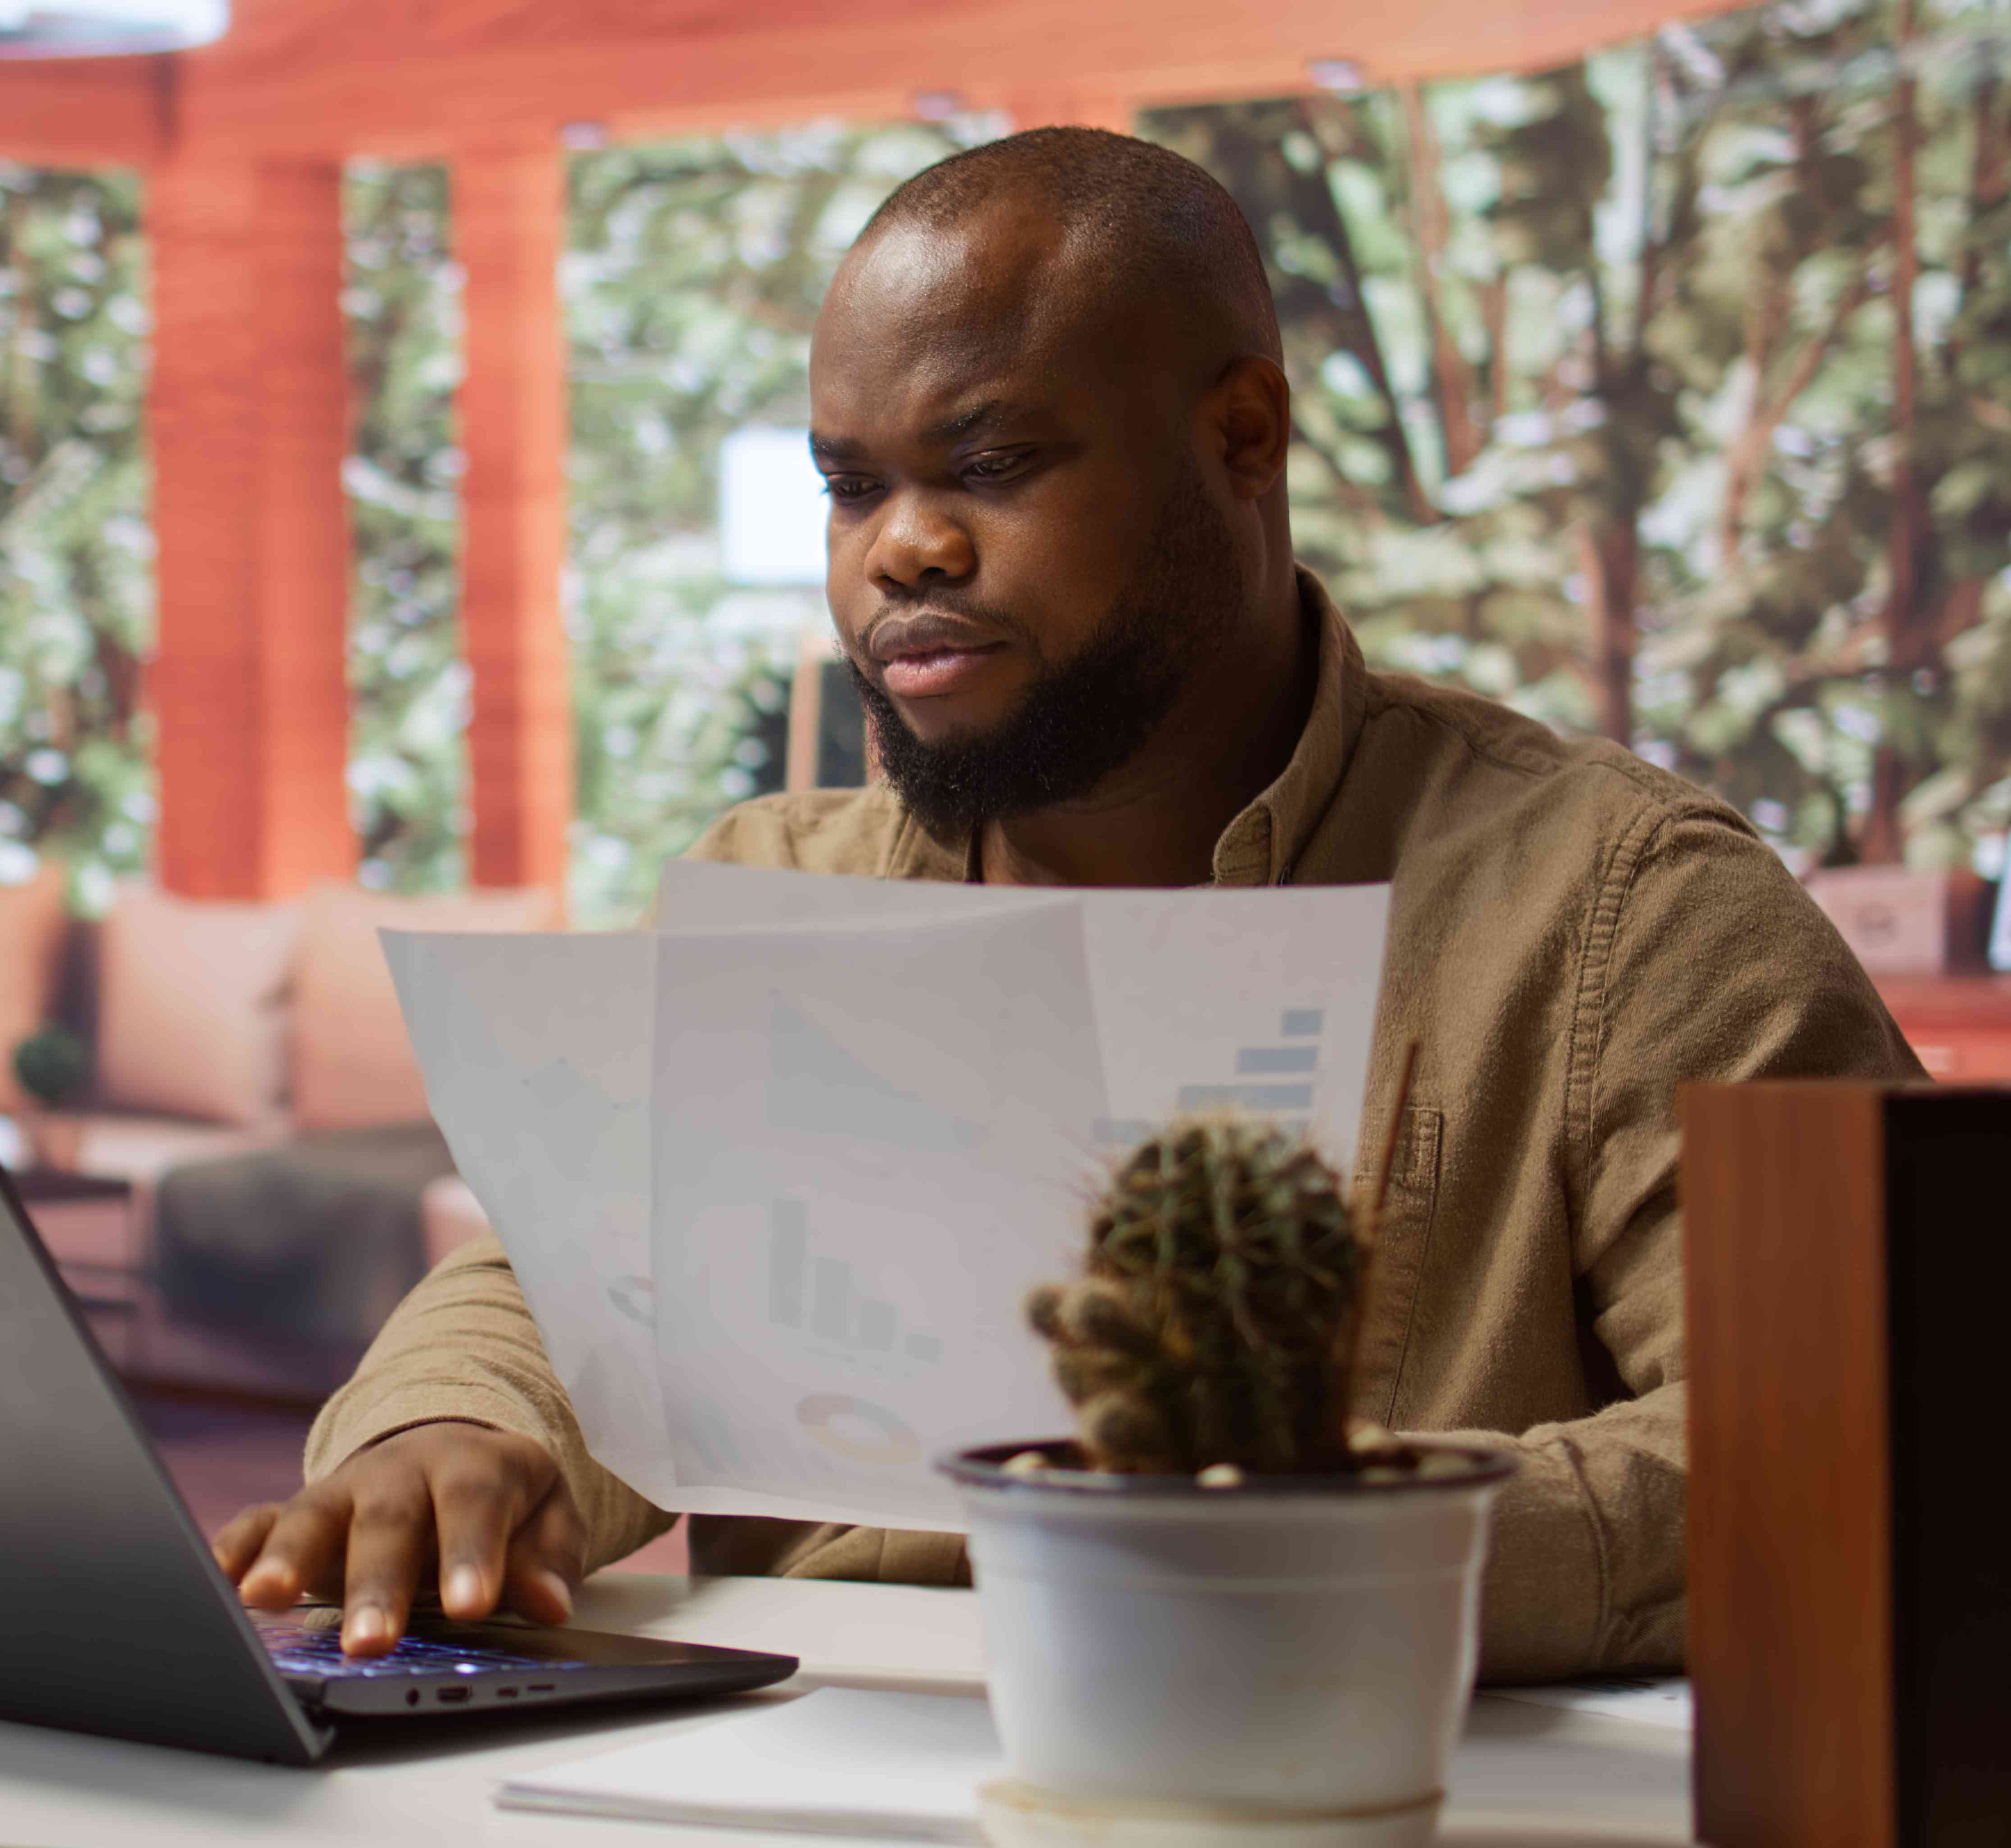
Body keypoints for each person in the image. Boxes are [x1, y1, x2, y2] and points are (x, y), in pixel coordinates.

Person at [207, 126, 1921, 1684]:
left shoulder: (1619, 908)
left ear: (1240, 437)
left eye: (992, 462)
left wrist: (1329, 1540)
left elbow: (1863, 1434)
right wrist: (445, 1429)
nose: (902, 552)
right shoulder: (769, 886)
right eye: (855, 487)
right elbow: (565, 1286)